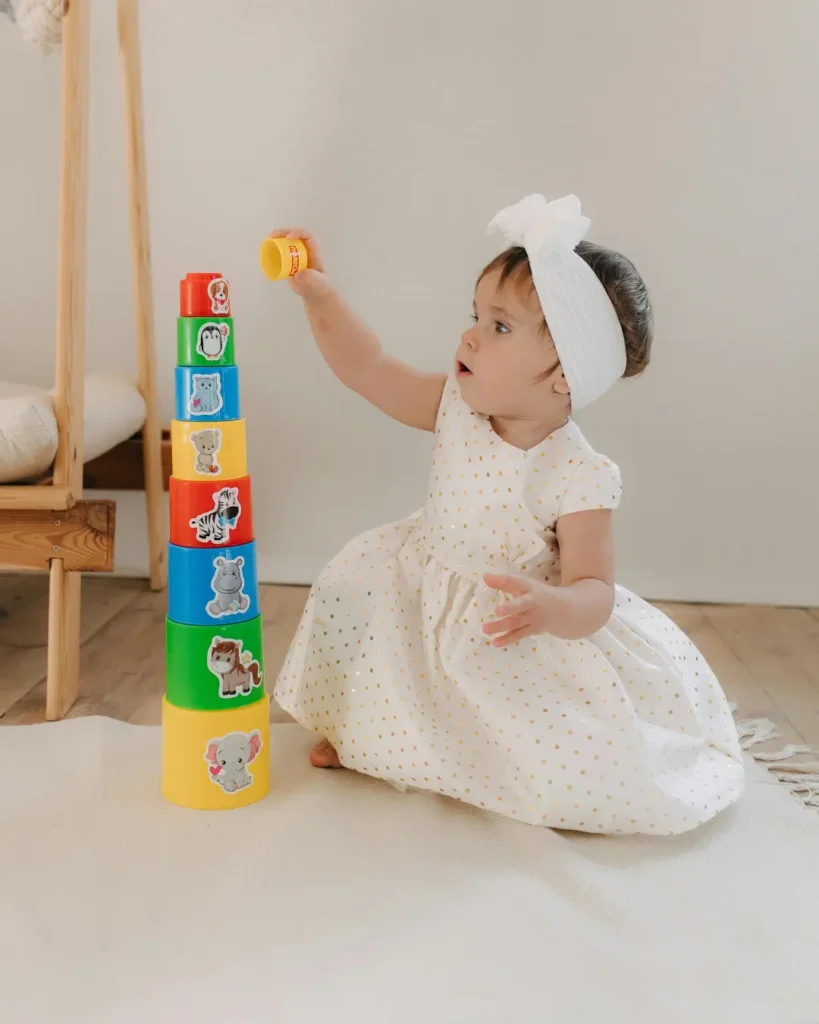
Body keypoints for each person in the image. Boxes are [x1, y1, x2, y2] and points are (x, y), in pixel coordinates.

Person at [271, 193, 744, 835]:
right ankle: (366, 738)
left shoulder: (577, 474)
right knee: (359, 613)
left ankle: (474, 765)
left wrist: (553, 607)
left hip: (509, 624)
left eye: (499, 327)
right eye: (476, 315)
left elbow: (595, 590)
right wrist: (320, 297)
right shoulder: (453, 406)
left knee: (551, 754)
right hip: (423, 588)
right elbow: (368, 368)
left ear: (564, 376)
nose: (470, 335)